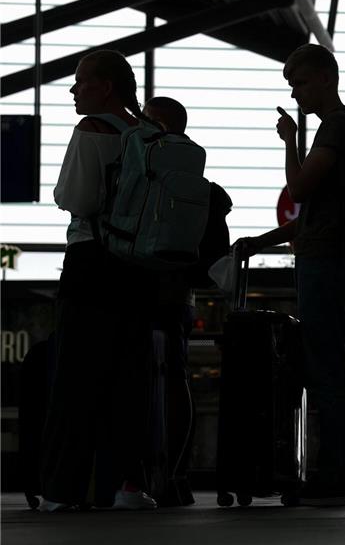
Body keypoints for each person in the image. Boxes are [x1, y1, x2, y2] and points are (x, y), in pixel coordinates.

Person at [234, 44, 345, 507]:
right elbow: (313, 214)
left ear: (326, 78)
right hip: (333, 257)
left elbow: (300, 190)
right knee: (326, 364)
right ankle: (331, 475)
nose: (296, 94)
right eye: (292, 86)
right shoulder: (343, 129)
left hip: (326, 263)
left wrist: (289, 142)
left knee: (324, 368)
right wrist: (262, 241)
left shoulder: (335, 127)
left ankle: (331, 479)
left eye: (301, 83)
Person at [44, 50, 156, 511]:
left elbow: (75, 197)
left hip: (92, 262)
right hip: (139, 269)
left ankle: (63, 490)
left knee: (75, 378)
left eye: (81, 81)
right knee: (129, 378)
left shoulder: (91, 131)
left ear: (105, 86)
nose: (74, 90)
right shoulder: (152, 136)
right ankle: (130, 484)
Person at [141, 96, 232, 506]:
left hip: (146, 290)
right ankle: (176, 475)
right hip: (182, 296)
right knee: (177, 380)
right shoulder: (204, 189)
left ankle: (146, 474)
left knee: (144, 381)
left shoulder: (146, 177)